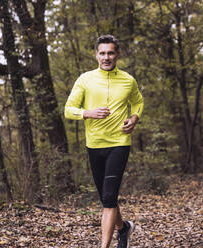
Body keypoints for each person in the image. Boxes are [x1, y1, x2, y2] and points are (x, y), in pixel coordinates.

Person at [64, 34, 144, 248]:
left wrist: (134, 118)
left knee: (109, 198)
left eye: (110, 53)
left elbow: (138, 102)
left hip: (119, 143)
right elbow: (68, 110)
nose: (106, 57)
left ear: (117, 54)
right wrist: (88, 113)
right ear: (96, 55)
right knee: (107, 199)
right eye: (102, 53)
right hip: (95, 145)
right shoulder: (85, 79)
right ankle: (124, 228)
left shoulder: (128, 80)